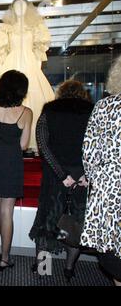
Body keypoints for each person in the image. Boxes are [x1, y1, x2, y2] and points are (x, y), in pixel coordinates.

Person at [28, 80, 94, 281]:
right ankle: (68, 269)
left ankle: (43, 269)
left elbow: (43, 145)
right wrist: (86, 174)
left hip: (55, 177)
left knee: (46, 224)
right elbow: (97, 145)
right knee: (76, 223)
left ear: (61, 94)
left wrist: (61, 175)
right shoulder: (92, 111)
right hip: (82, 178)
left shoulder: (50, 109)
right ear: (83, 94)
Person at [0, 70, 33, 271]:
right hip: (11, 161)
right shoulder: (25, 112)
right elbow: (24, 144)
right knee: (7, 212)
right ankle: (5, 258)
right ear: (21, 90)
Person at [0, 0, 55, 150]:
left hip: (30, 63)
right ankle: (9, 137)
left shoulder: (35, 27)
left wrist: (36, 72)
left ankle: (33, 140)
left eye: (23, 6)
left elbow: (39, 55)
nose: (20, 9)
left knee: (35, 99)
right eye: (17, 6)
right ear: (12, 8)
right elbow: (1, 55)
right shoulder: (6, 28)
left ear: (29, 8)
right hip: (11, 64)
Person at [80, 56, 121, 286]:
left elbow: (90, 154)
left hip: (110, 188)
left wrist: (100, 180)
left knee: (113, 255)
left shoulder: (104, 107)